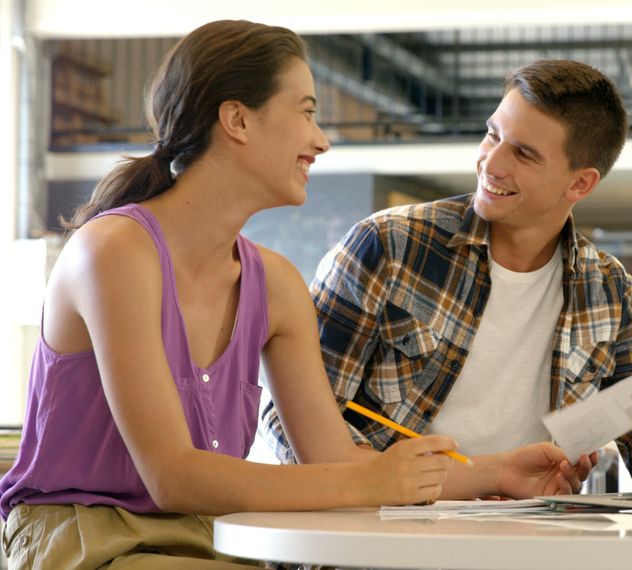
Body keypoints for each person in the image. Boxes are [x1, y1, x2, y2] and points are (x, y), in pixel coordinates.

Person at [0, 20, 459, 569]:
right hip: (87, 540)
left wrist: (496, 475)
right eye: (306, 112)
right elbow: (173, 476)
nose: (321, 140)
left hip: (214, 540)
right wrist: (370, 483)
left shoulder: (277, 285)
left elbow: (333, 460)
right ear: (237, 119)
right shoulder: (114, 252)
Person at [261, 59, 632, 498]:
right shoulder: (389, 246)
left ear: (580, 184)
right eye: (493, 134)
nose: (492, 162)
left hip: (526, 533)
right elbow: (290, 425)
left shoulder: (609, 291)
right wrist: (441, 480)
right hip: (383, 526)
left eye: (524, 154)